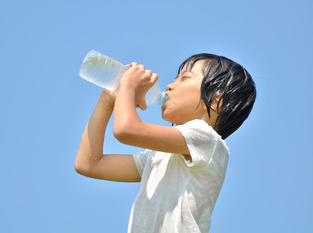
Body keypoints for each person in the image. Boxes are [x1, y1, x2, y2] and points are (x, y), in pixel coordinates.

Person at [75, 53, 256, 233]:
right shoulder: (159, 156)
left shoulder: (207, 139)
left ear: (216, 99)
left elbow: (125, 130)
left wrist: (128, 86)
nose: (169, 86)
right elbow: (89, 164)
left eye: (184, 78)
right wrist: (108, 98)